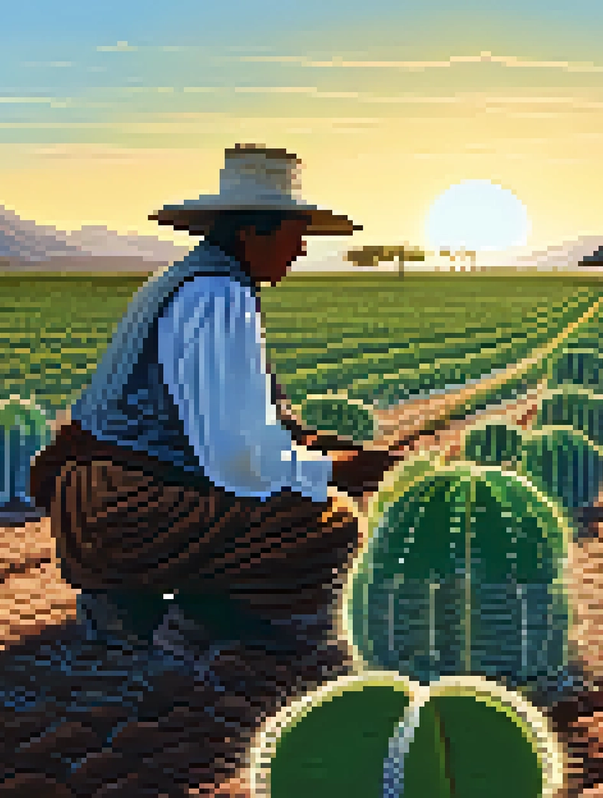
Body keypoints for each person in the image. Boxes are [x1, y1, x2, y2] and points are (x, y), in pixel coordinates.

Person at [29, 145, 405, 656]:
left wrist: (325, 451)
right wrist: (337, 473)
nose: (299, 252)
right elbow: (239, 464)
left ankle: (126, 600)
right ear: (254, 232)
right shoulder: (219, 297)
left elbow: (254, 428)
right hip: (122, 510)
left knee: (299, 496)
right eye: (295, 237)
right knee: (328, 525)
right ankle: (190, 626)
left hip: (96, 501)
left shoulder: (190, 281)